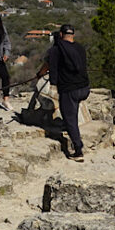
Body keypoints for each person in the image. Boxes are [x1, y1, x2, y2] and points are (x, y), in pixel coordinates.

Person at [39, 24, 89, 161]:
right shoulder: (80, 48)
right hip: (84, 88)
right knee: (73, 114)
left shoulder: (56, 50)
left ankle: (78, 150)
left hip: (69, 89)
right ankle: (76, 137)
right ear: (73, 34)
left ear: (61, 35)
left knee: (70, 119)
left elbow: (48, 65)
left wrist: (40, 74)